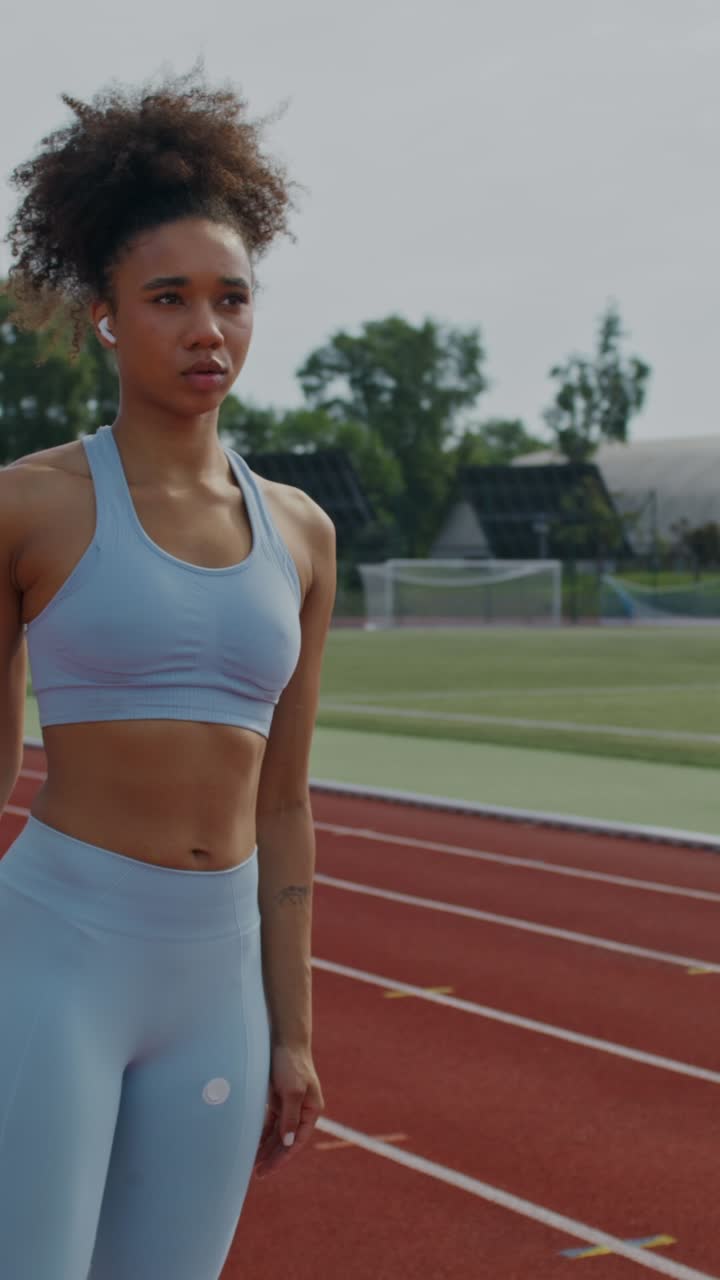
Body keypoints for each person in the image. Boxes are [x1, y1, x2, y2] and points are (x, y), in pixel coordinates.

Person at [0, 61, 336, 1280]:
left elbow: (288, 801)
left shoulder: (301, 530)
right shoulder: (27, 505)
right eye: (170, 297)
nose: (209, 328)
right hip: (55, 960)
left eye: (232, 297)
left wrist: (291, 1033)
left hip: (217, 983)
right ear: (105, 310)